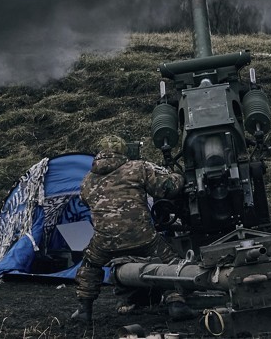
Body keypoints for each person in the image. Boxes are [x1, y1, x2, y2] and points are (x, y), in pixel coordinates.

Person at [72, 135, 195, 323]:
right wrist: (179, 176)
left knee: (90, 265)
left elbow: (85, 200)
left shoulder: (88, 179)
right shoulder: (138, 167)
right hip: (142, 236)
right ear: (123, 151)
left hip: (105, 240)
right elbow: (166, 189)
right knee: (169, 261)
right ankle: (176, 304)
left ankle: (84, 309)